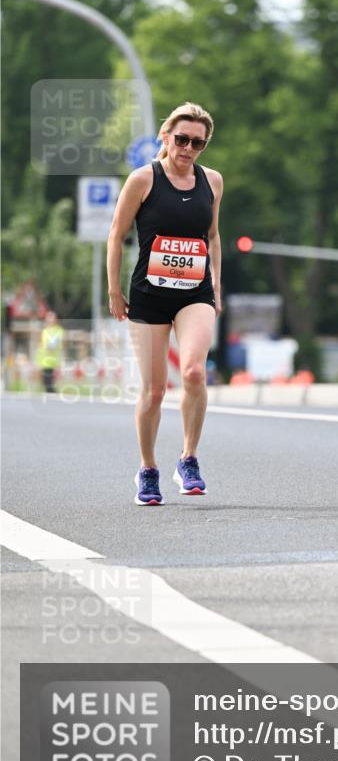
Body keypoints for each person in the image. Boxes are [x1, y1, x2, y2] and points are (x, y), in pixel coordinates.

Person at [107, 102, 223, 506]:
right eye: (182, 139)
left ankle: (188, 458)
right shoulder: (143, 180)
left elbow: (212, 236)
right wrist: (113, 290)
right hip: (149, 295)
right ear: (165, 137)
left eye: (198, 143)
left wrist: (217, 283)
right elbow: (116, 235)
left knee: (193, 371)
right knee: (154, 391)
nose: (188, 148)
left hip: (195, 293)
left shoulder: (213, 181)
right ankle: (148, 469)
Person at [36, 310, 64, 393]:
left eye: (51, 317)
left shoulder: (58, 331)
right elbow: (42, 345)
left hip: (51, 361)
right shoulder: (45, 331)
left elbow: (53, 344)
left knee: (48, 383)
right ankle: (52, 397)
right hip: (42, 360)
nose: (49, 319)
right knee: (44, 383)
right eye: (48, 317)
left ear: (55, 319)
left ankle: (54, 397)